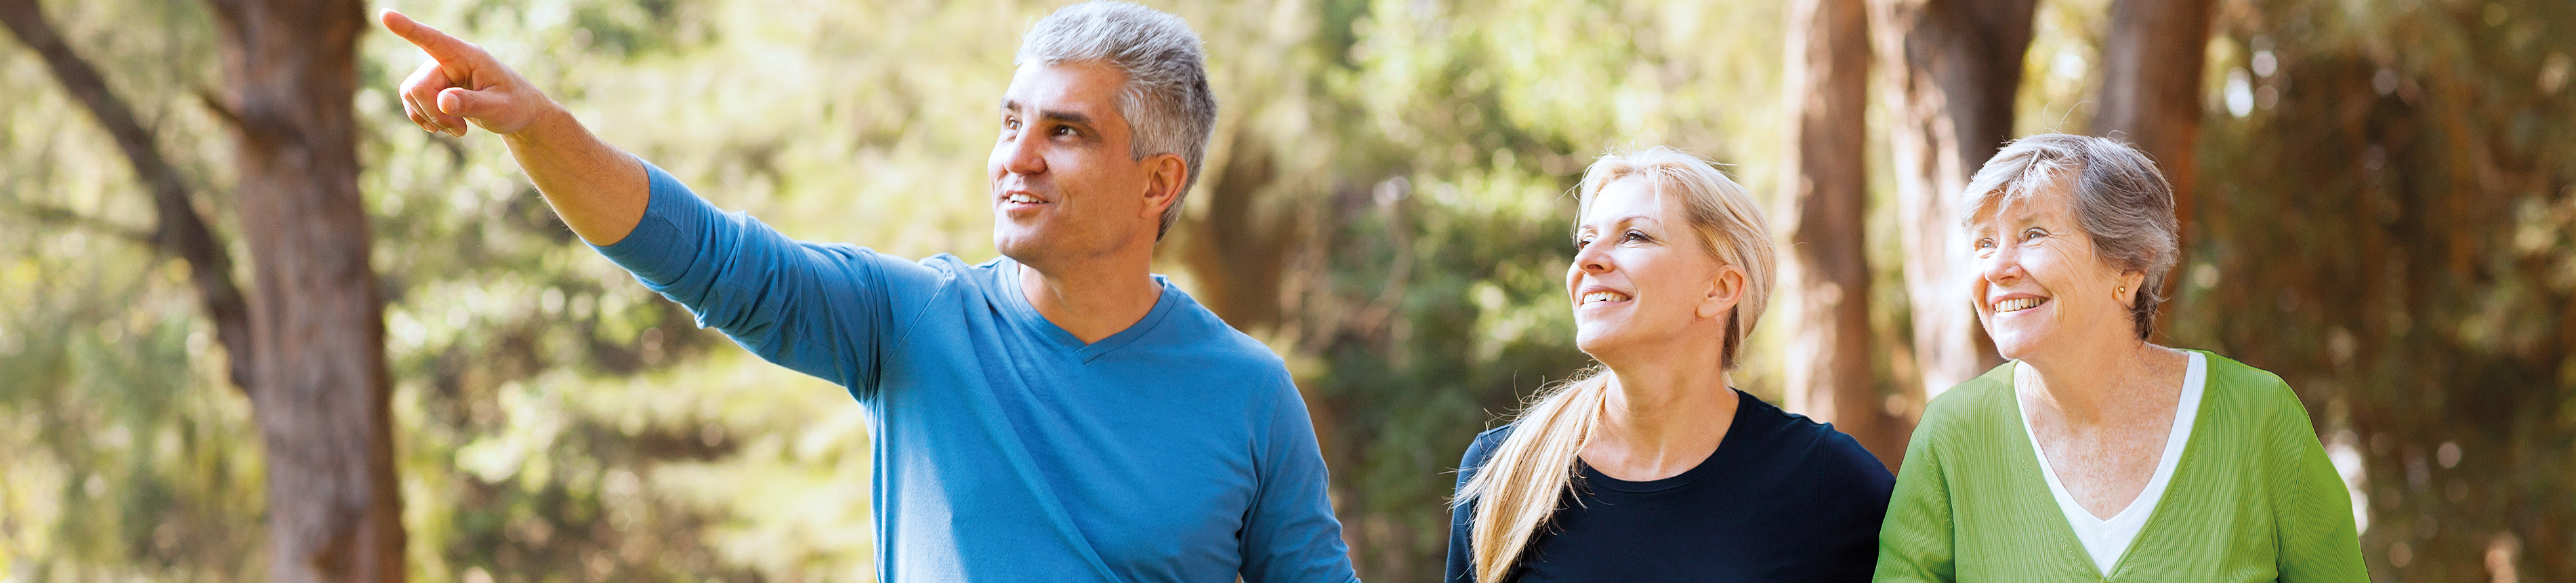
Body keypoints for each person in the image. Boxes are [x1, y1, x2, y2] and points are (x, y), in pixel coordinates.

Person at [378, 2, 1358, 581]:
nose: (1015, 157)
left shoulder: (1247, 392)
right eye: (1010, 121)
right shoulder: (910, 323)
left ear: (1158, 183)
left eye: (1064, 132)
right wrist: (535, 126)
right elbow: (703, 253)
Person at [1871, 134, 2367, 582]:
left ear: (2129, 267)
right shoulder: (1950, 435)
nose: (1997, 268)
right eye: (1984, 242)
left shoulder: (2258, 416)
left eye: (2033, 234)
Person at [1445, 147, 1894, 583]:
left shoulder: (1825, 479)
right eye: (1585, 240)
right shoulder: (1504, 468)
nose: (1585, 260)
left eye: (1634, 236)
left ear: (1719, 289)